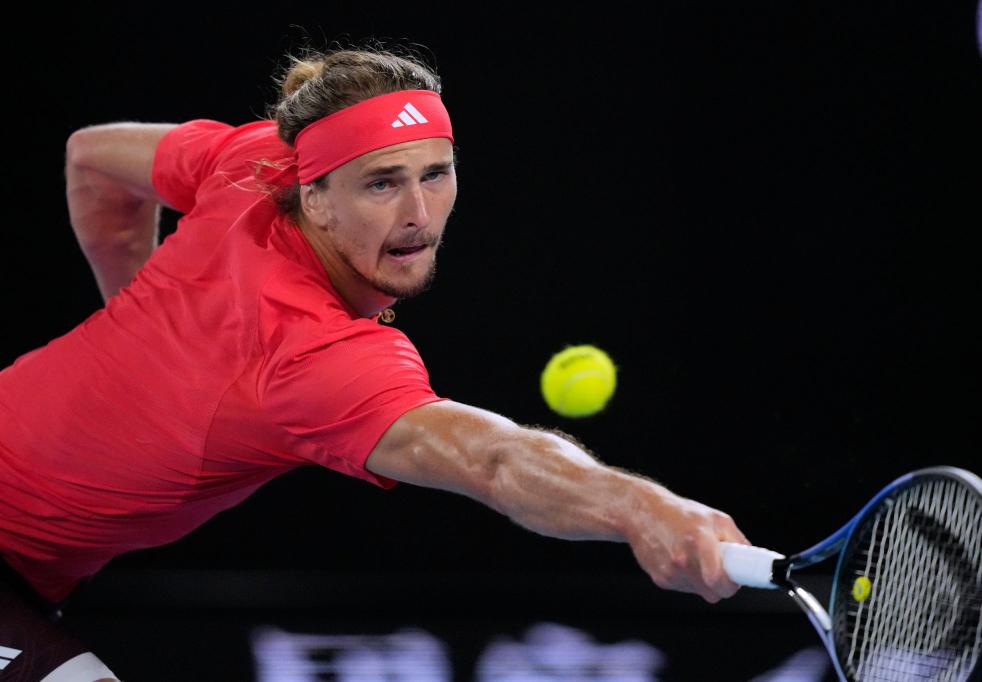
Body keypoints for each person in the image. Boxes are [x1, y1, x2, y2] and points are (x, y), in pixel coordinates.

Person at [0, 46, 749, 681]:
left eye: (436, 173)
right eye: (383, 183)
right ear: (315, 197)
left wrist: (134, 318)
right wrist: (640, 506)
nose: (419, 214)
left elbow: (91, 160)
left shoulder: (249, 159)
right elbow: (494, 462)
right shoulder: (312, 355)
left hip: (31, 582)